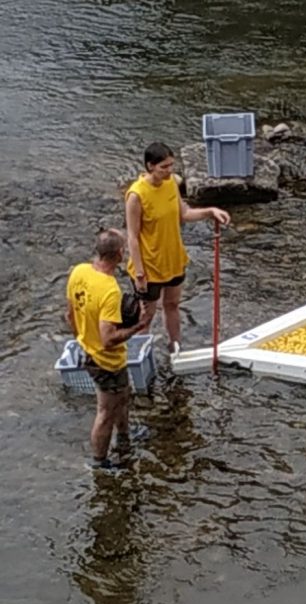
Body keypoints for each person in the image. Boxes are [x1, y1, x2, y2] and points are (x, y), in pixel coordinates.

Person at [125, 142, 230, 354]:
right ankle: (141, 356)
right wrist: (139, 273)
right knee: (146, 316)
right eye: (164, 166)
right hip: (149, 265)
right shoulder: (136, 195)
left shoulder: (171, 183)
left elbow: (184, 214)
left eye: (171, 165)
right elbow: (132, 237)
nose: (169, 170)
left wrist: (210, 211)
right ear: (150, 166)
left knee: (172, 305)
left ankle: (175, 347)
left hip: (173, 259)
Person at [66, 229, 153, 469]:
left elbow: (69, 314)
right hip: (106, 361)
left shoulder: (78, 272)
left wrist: (82, 339)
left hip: (89, 351)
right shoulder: (110, 291)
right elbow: (108, 338)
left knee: (122, 396)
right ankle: (99, 462)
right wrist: (138, 326)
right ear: (118, 254)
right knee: (105, 412)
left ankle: (125, 435)